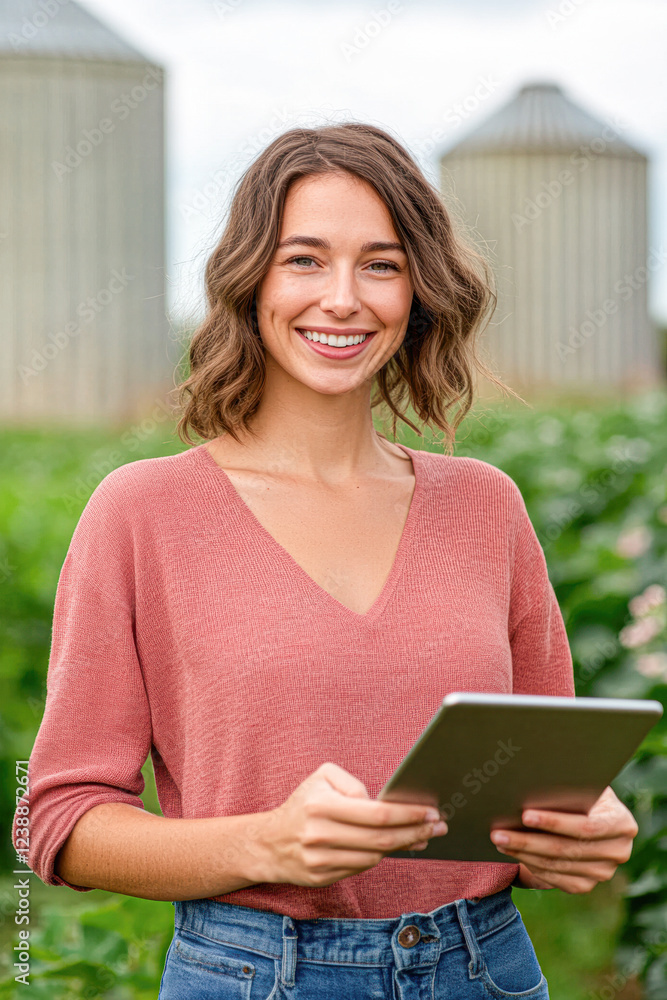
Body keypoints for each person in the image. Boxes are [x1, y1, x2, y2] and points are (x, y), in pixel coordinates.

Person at [13, 122, 638, 999]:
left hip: (480, 968)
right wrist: (262, 843)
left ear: (417, 291)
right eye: (304, 260)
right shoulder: (142, 511)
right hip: (251, 972)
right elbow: (58, 821)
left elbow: (541, 786)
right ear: (249, 279)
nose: (342, 297)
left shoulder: (485, 506)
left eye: (379, 264)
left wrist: (580, 833)